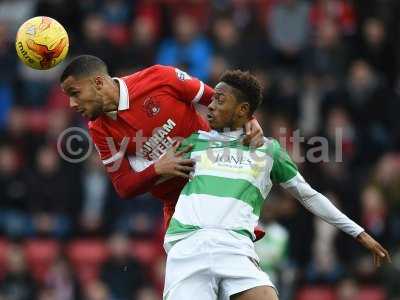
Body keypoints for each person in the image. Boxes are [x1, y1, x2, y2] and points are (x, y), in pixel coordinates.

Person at [163, 70, 391, 300]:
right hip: (189, 245)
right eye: (211, 99)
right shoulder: (194, 142)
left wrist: (359, 232)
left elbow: (309, 196)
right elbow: (131, 179)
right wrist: (157, 169)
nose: (210, 105)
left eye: (219, 100)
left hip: (234, 247)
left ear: (243, 110)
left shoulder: (268, 151)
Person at [59, 55, 264, 230]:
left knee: (239, 264)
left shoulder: (160, 77)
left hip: (215, 185)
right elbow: (124, 186)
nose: (71, 104)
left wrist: (250, 120)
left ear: (98, 83)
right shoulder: (98, 129)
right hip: (178, 209)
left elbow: (217, 100)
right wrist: (158, 168)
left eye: (75, 94)